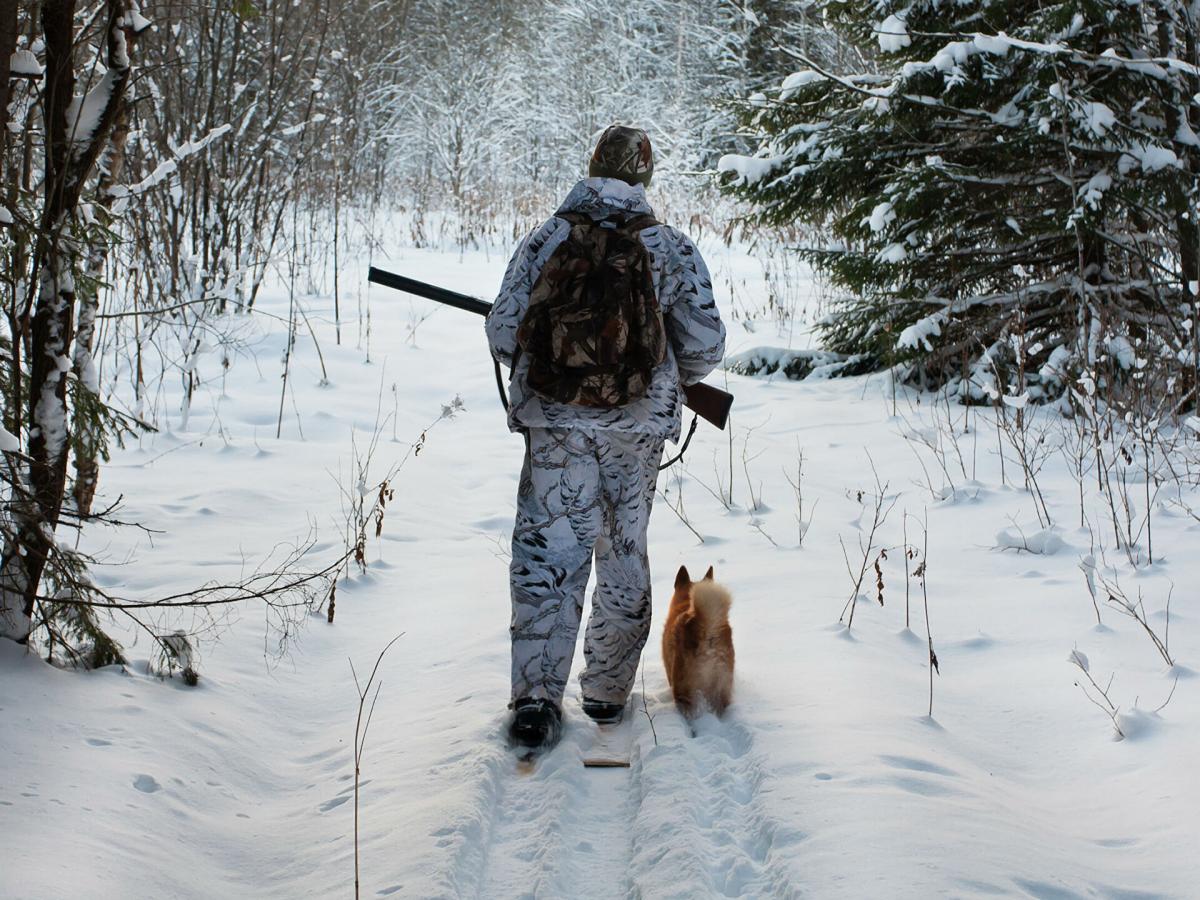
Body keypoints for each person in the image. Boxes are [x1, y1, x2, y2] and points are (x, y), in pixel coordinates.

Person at [485, 125, 725, 752]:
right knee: (622, 550)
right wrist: (659, 377)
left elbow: (503, 330)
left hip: (555, 428)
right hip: (636, 432)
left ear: (591, 167)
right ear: (645, 179)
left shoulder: (546, 239)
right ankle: (608, 693)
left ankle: (536, 702)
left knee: (547, 557)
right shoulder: (669, 247)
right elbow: (706, 344)